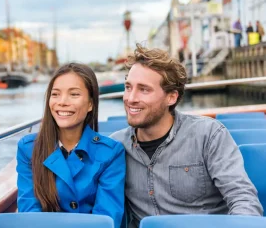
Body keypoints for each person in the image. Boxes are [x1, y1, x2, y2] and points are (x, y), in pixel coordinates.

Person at [111, 44, 263, 228]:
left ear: (171, 97)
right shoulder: (115, 146)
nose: (130, 98)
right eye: (128, 87)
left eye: (144, 89)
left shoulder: (208, 135)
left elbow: (242, 198)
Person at [16, 62, 125, 227]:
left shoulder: (111, 153)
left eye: (74, 94)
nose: (62, 102)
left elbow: (107, 219)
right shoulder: (28, 149)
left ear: (90, 104)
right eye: (55, 94)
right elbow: (30, 213)